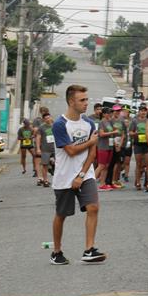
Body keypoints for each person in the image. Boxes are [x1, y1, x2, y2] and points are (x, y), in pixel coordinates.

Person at [49, 85, 106, 265]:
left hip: (85, 174)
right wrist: (90, 141)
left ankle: (89, 249)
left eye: (86, 99)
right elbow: (71, 151)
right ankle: (56, 252)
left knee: (93, 208)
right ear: (71, 101)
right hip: (64, 177)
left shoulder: (89, 123)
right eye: (82, 100)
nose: (86, 103)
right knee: (61, 214)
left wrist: (81, 175)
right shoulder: (60, 124)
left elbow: (92, 153)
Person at [130, 105, 148, 191]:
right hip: (138, 144)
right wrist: (135, 134)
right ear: (139, 112)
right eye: (141, 111)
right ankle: (138, 182)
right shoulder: (135, 121)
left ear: (147, 112)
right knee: (138, 164)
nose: (143, 112)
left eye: (145, 111)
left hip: (147, 144)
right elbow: (130, 132)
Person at [35, 110, 54, 187]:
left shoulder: (54, 125)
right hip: (45, 149)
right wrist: (38, 149)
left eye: (49, 118)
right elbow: (38, 138)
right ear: (44, 120)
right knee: (45, 165)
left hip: (55, 149)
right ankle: (45, 180)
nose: (48, 119)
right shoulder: (41, 127)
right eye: (46, 118)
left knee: (57, 164)